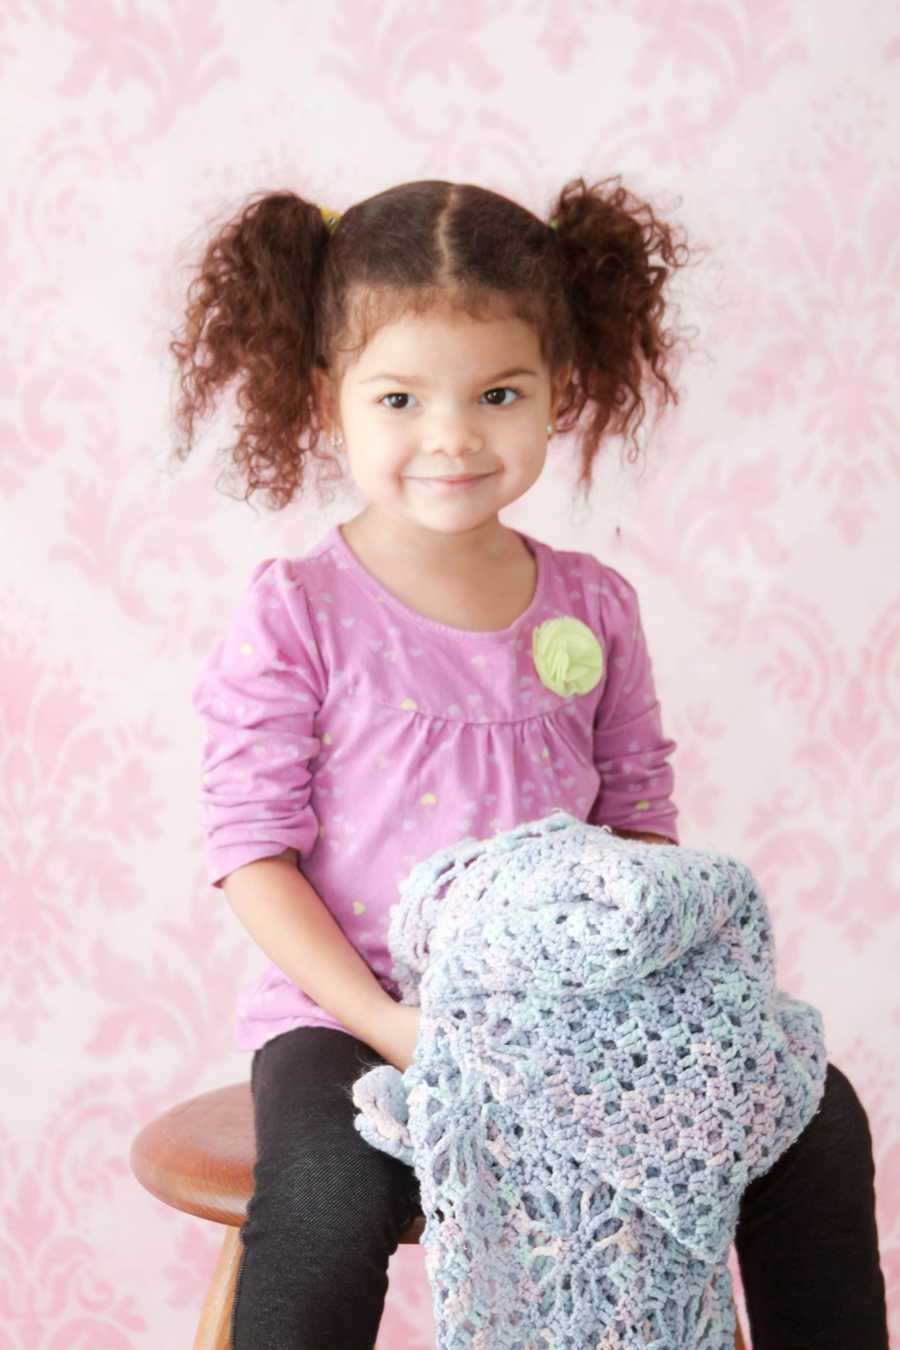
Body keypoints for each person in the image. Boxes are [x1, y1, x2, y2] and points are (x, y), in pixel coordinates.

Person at [171, 178, 889, 1350]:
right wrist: (395, 1029)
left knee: (814, 1118)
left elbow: (639, 822)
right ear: (324, 398)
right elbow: (252, 849)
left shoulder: (593, 606)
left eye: (498, 393)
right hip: (351, 1016)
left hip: (562, 1011)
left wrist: (629, 992)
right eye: (399, 397)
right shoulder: (299, 611)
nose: (451, 436)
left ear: (560, 393)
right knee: (326, 1197)